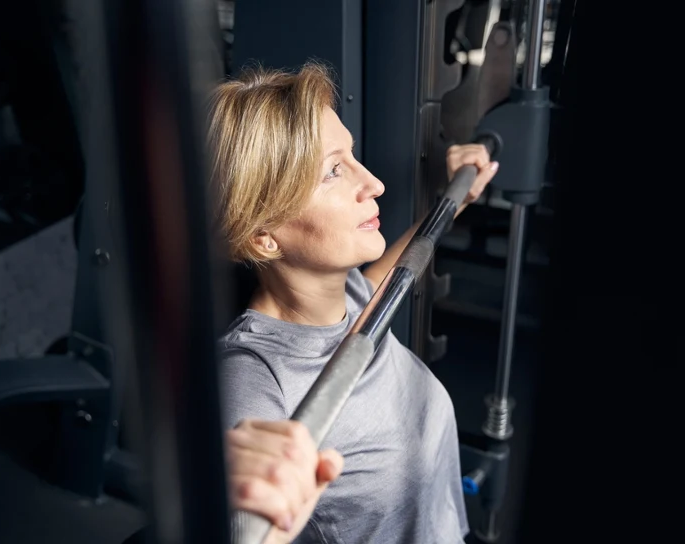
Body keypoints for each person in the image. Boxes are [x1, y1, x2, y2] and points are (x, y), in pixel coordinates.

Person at [207, 62, 498, 544]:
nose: (374, 184)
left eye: (352, 156)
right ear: (264, 238)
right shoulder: (252, 379)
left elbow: (387, 277)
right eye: (334, 172)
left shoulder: (349, 298)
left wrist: (456, 198)